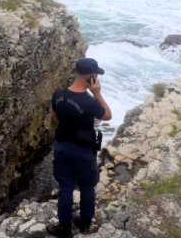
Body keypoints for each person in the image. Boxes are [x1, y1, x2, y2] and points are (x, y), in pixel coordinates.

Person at [47, 58, 113, 237]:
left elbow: (54, 116)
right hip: (84, 151)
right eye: (97, 75)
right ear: (91, 77)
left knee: (66, 187)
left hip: (62, 147)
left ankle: (64, 228)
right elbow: (107, 115)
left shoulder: (58, 94)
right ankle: (84, 222)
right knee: (86, 187)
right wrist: (97, 93)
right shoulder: (90, 102)